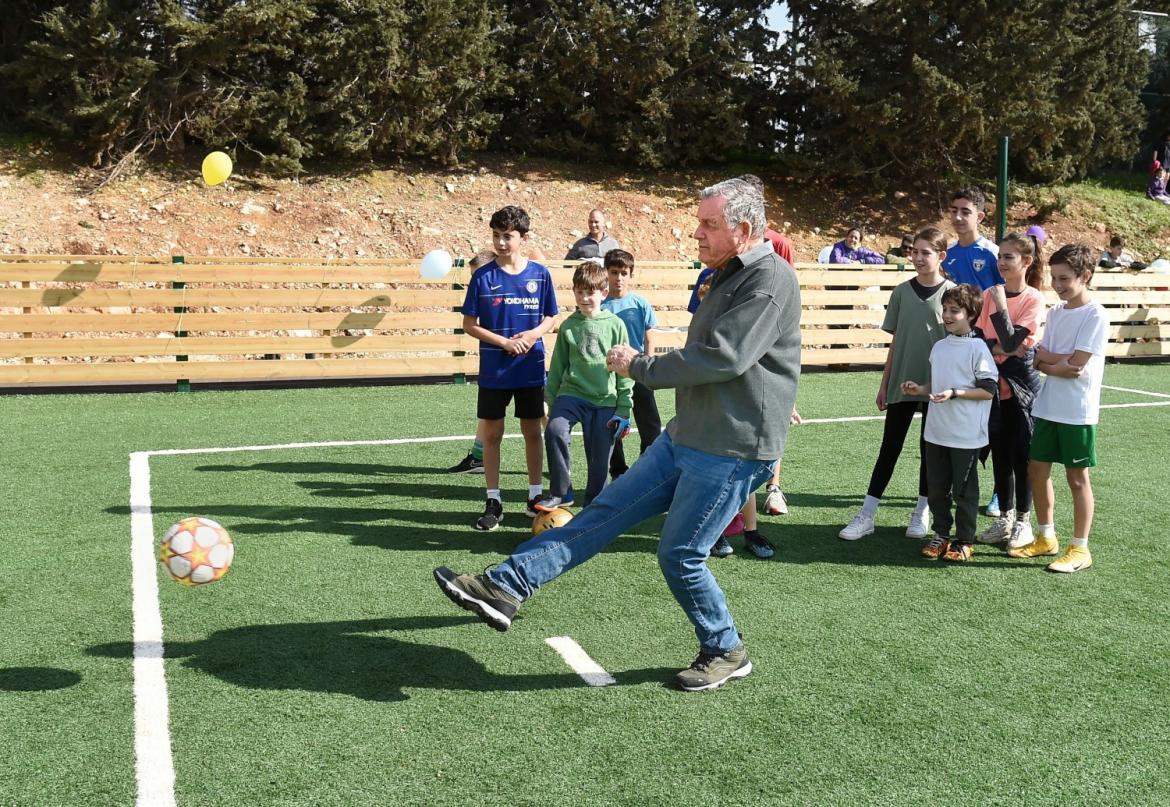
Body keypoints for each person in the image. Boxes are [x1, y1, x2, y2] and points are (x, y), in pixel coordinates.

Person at [434, 177, 801, 692]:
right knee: (603, 513)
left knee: (680, 554)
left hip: (733, 450)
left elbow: (725, 357)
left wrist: (641, 365)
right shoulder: (722, 273)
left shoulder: (769, 280)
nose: (695, 233)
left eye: (708, 224)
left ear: (742, 229)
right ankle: (505, 585)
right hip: (690, 436)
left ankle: (726, 648)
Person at [839, 227, 955, 541]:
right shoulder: (901, 292)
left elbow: (957, 344)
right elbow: (896, 342)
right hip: (902, 382)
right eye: (914, 251)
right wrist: (884, 383)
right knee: (889, 447)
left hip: (935, 386)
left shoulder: (953, 293)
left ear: (941, 256)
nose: (918, 257)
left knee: (929, 450)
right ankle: (867, 513)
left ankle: (921, 511)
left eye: (926, 252)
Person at [1008, 244, 1108, 573]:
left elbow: (1077, 365)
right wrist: (1054, 363)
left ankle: (1080, 549)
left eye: (1064, 278)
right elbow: (1042, 358)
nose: (1057, 284)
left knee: (1077, 478)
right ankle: (1046, 537)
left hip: (1077, 410)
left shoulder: (1095, 314)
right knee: (1036, 471)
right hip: (1048, 406)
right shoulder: (1056, 312)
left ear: (1086, 276)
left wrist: (1051, 362)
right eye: (1054, 277)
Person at [461, 206, 559, 531]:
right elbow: (469, 324)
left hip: (529, 367)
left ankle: (534, 497)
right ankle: (493, 501)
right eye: (496, 236)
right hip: (494, 370)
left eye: (508, 236)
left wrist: (532, 335)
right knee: (492, 435)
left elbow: (550, 317)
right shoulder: (482, 276)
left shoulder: (540, 275)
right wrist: (503, 343)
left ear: (523, 238)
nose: (501, 243)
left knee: (533, 431)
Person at [900, 284, 997, 562]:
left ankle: (964, 539)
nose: (947, 315)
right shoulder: (940, 346)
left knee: (964, 491)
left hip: (965, 434)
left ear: (972, 314)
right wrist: (919, 389)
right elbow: (939, 385)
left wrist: (956, 393)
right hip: (936, 432)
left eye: (955, 310)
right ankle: (941, 533)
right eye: (945, 309)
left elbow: (988, 389)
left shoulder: (978, 348)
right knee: (937, 487)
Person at [533, 262, 634, 512]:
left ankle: (593, 507)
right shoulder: (568, 326)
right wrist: (549, 398)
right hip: (572, 395)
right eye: (579, 292)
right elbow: (557, 366)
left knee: (599, 461)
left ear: (603, 293)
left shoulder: (616, 325)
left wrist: (624, 407)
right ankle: (561, 492)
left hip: (606, 400)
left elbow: (625, 369)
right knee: (555, 430)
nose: (584, 298)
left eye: (589, 292)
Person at [974, 232, 1047, 549]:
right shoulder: (990, 293)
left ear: (1026, 262)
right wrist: (1002, 345)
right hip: (993, 386)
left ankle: (1022, 522)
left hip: (1022, 387)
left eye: (1009, 257)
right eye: (999, 256)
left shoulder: (1033, 298)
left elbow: (1016, 343)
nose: (1001, 262)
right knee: (1000, 455)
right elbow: (979, 339)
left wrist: (1003, 319)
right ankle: (1003, 520)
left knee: (1022, 456)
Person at [943, 185, 1008, 517]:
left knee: (996, 421)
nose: (957, 216)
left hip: (992, 348)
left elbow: (1005, 298)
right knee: (969, 417)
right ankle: (962, 484)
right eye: (954, 210)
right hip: (965, 345)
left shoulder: (993, 253)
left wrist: (1001, 341)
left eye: (965, 211)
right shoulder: (951, 256)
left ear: (980, 216)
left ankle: (1001, 491)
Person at [601, 249, 662, 480]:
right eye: (614, 272)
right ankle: (618, 472)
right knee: (612, 424)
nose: (619, 278)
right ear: (606, 273)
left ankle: (647, 471)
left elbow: (649, 337)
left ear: (631, 274)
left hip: (638, 371)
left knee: (651, 426)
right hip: (611, 376)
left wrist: (649, 366)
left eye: (623, 273)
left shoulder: (639, 303)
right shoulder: (601, 305)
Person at [447, 249, 500, 475]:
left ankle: (559, 456)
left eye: (476, 276)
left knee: (540, 412)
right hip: (493, 359)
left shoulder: (510, 288)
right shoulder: (483, 293)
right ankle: (478, 458)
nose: (474, 282)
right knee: (488, 413)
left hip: (521, 360)